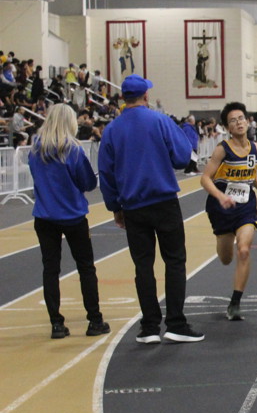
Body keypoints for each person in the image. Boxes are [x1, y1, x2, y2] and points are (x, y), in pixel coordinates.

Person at [98, 74, 203, 344]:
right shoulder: (159, 120)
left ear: (123, 98)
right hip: (164, 200)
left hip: (133, 206)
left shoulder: (111, 130)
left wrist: (115, 207)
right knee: (175, 261)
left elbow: (106, 173)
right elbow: (182, 156)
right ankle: (176, 323)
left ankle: (149, 326)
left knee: (143, 265)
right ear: (146, 96)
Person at [28, 103, 110, 340]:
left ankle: (56, 323)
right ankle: (94, 319)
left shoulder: (35, 149)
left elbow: (35, 178)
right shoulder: (73, 150)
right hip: (73, 215)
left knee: (50, 269)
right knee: (86, 267)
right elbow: (88, 183)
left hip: (44, 216)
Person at [201, 102, 257, 321]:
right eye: (233, 121)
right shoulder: (222, 149)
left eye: (241, 118)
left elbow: (252, 170)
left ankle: (235, 303)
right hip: (221, 207)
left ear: (247, 121)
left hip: (245, 207)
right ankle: (223, 239)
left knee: (244, 250)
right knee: (225, 258)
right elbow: (205, 178)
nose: (239, 123)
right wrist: (221, 196)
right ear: (227, 127)